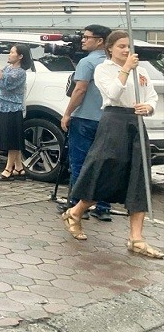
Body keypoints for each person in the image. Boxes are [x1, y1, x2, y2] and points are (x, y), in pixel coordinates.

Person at [61, 31, 160, 258]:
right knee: (106, 173)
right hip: (113, 122)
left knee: (139, 177)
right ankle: (75, 212)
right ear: (110, 49)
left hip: (135, 124)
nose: (126, 50)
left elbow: (151, 95)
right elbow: (114, 94)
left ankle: (137, 238)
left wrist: (149, 107)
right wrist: (125, 69)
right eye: (121, 46)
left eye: (129, 46)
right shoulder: (103, 69)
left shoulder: (142, 71)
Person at [60, 25, 113, 221]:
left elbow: (80, 90)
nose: (83, 40)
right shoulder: (113, 62)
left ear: (100, 41)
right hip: (108, 120)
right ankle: (103, 206)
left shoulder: (87, 62)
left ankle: (77, 205)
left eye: (87, 37)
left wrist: (67, 113)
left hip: (85, 119)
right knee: (103, 164)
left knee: (80, 162)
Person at [0, 44, 33, 181]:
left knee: (12, 141)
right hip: (1, 105)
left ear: (20, 56)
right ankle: (19, 169)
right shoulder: (8, 68)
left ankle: (8, 169)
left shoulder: (20, 72)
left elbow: (2, 82)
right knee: (12, 139)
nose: (9, 54)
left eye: (12, 52)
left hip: (13, 109)